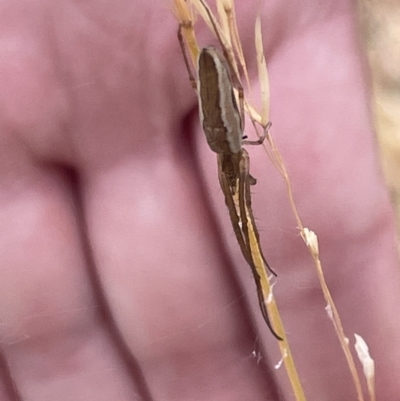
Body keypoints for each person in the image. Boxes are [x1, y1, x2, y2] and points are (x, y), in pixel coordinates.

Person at [0, 1, 399, 400]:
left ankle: (261, 277)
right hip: (217, 87)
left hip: (215, 87)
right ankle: (260, 277)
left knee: (237, 197)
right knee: (237, 200)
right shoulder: (232, 146)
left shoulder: (229, 146)